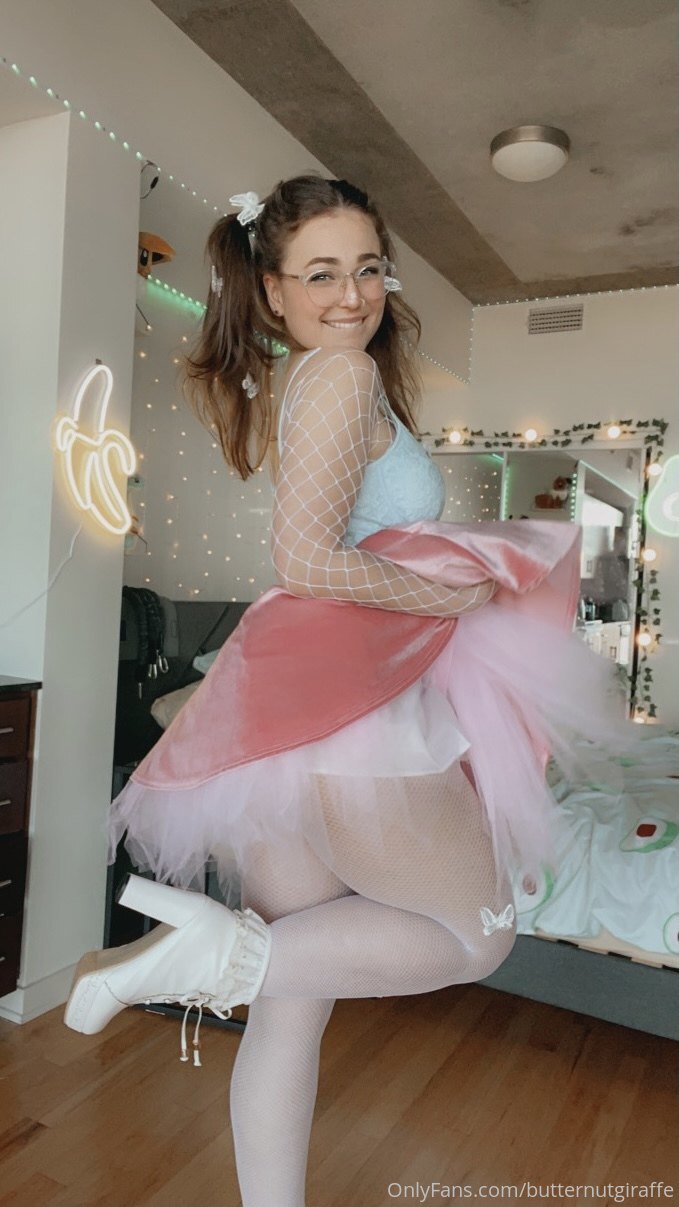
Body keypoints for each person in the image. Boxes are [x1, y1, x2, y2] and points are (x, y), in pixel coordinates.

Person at [64, 175, 546, 1207]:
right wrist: (449, 596)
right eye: (321, 273)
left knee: (294, 1003)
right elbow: (307, 558)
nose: (352, 294)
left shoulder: (312, 375)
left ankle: (217, 989)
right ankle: (189, 962)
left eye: (367, 268)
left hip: (301, 717)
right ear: (273, 289)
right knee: (480, 934)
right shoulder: (338, 372)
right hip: (348, 711)